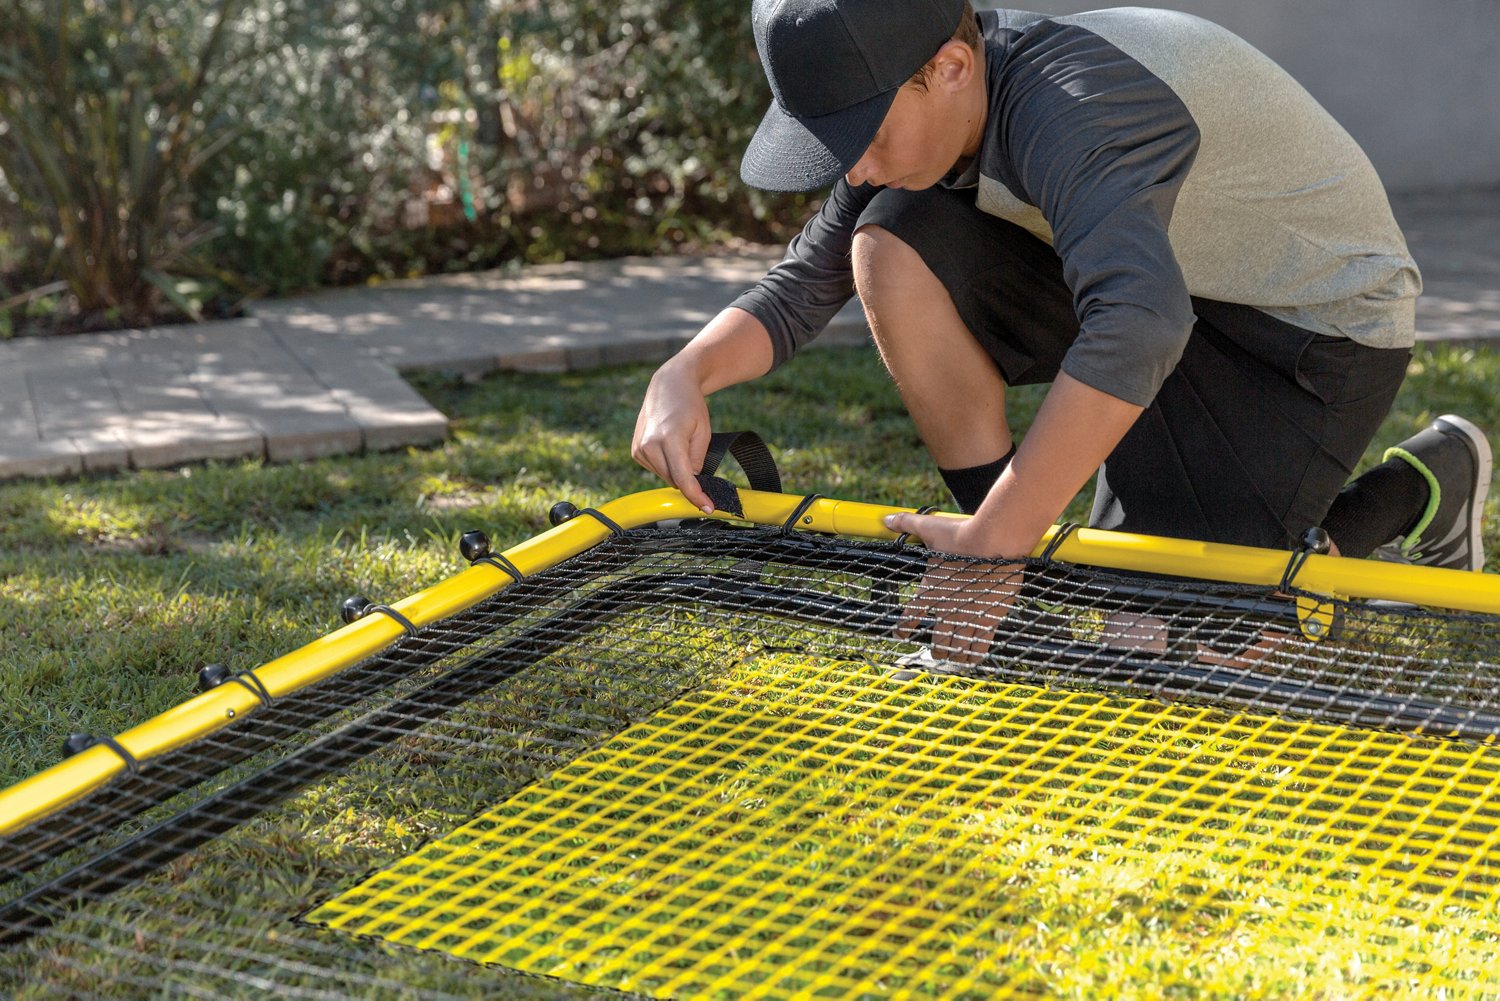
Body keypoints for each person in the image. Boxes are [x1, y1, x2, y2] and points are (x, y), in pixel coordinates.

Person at [632, 0, 1492, 630]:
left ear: (952, 68)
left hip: (1308, 332)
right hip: (1174, 289)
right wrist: (685, 374)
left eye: (862, 133)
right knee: (888, 240)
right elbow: (800, 287)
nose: (850, 167)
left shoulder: (1072, 110)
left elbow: (1139, 322)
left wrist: (998, 539)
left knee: (1173, 640)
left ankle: (1420, 482)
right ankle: (1010, 571)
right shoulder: (925, 106)